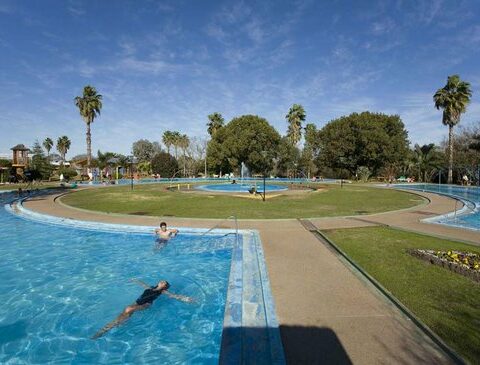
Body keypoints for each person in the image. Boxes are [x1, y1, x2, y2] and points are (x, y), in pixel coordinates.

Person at [92, 279, 193, 339]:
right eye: (162, 281)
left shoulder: (162, 292)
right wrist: (134, 280)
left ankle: (115, 325)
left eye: (165, 283)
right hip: (137, 302)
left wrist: (186, 299)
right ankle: (108, 328)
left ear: (165, 287)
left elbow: (174, 296)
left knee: (128, 309)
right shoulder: (150, 287)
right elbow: (142, 284)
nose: (163, 282)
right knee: (122, 315)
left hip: (146, 304)